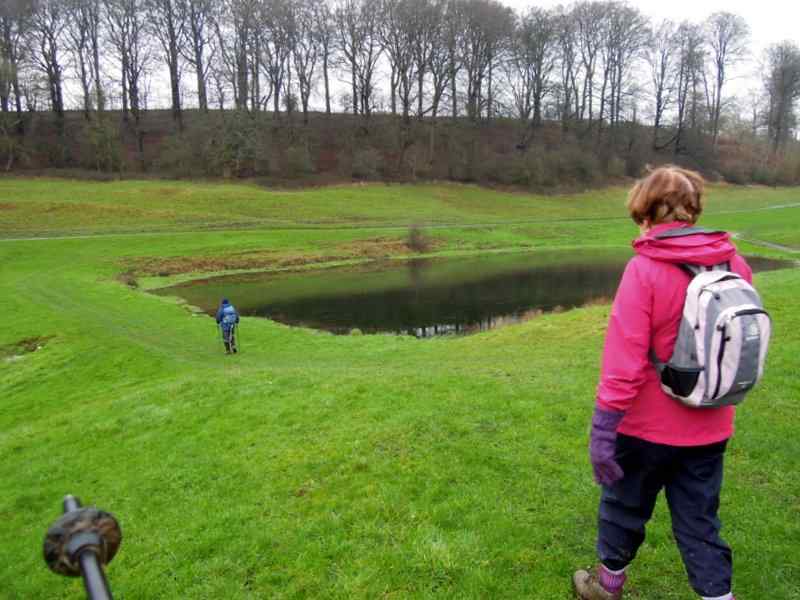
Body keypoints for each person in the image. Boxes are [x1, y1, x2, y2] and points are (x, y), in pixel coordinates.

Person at [573, 166, 752, 600]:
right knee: (700, 522)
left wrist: (603, 430)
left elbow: (624, 361)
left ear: (645, 213)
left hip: (644, 430)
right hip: (711, 425)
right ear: (693, 211)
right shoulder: (734, 261)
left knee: (624, 507)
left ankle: (607, 587)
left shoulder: (645, 269)